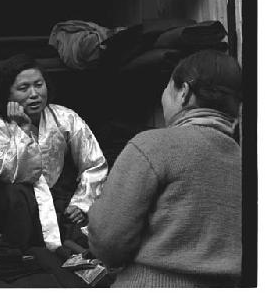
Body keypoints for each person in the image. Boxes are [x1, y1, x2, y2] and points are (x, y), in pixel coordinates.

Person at [87, 49, 242, 287]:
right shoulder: (247, 161)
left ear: (184, 92)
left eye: (167, 88)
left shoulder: (151, 146)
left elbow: (108, 242)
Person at [0, 53, 108, 251]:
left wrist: (81, 203)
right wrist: (23, 130)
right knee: (17, 200)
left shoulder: (64, 117)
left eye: (39, 85)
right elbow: (11, 173)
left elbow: (94, 163)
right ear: (8, 94)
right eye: (23, 88)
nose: (34, 94)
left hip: (55, 192)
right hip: (14, 196)